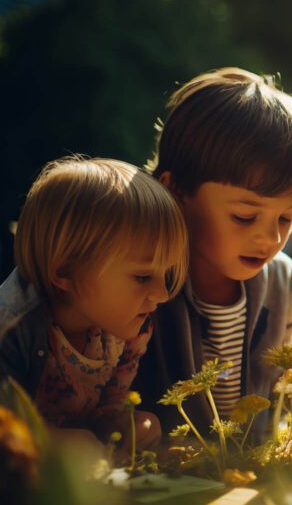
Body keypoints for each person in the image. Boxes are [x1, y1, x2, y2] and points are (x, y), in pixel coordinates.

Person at [133, 67, 292, 433]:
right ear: (177, 192)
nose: (270, 238)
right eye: (244, 216)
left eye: (287, 218)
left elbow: (285, 390)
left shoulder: (283, 284)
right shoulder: (138, 277)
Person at [0, 156, 188, 451]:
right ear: (64, 271)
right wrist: (55, 444)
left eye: (165, 274)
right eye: (141, 276)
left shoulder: (125, 327)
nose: (162, 294)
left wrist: (125, 424)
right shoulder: (11, 327)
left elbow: (108, 410)